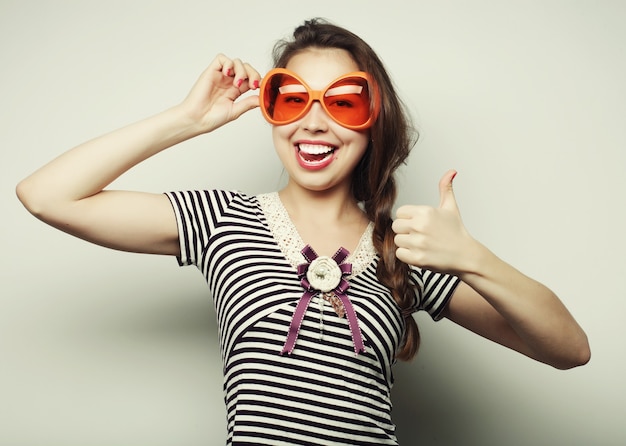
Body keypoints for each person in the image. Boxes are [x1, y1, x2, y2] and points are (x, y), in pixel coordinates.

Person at [16, 18, 589, 446]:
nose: (314, 121)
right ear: (272, 110)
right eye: (292, 99)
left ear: (374, 119)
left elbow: (569, 350)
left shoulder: (408, 247)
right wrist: (187, 120)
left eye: (342, 102)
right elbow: (46, 195)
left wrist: (473, 258)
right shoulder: (222, 219)